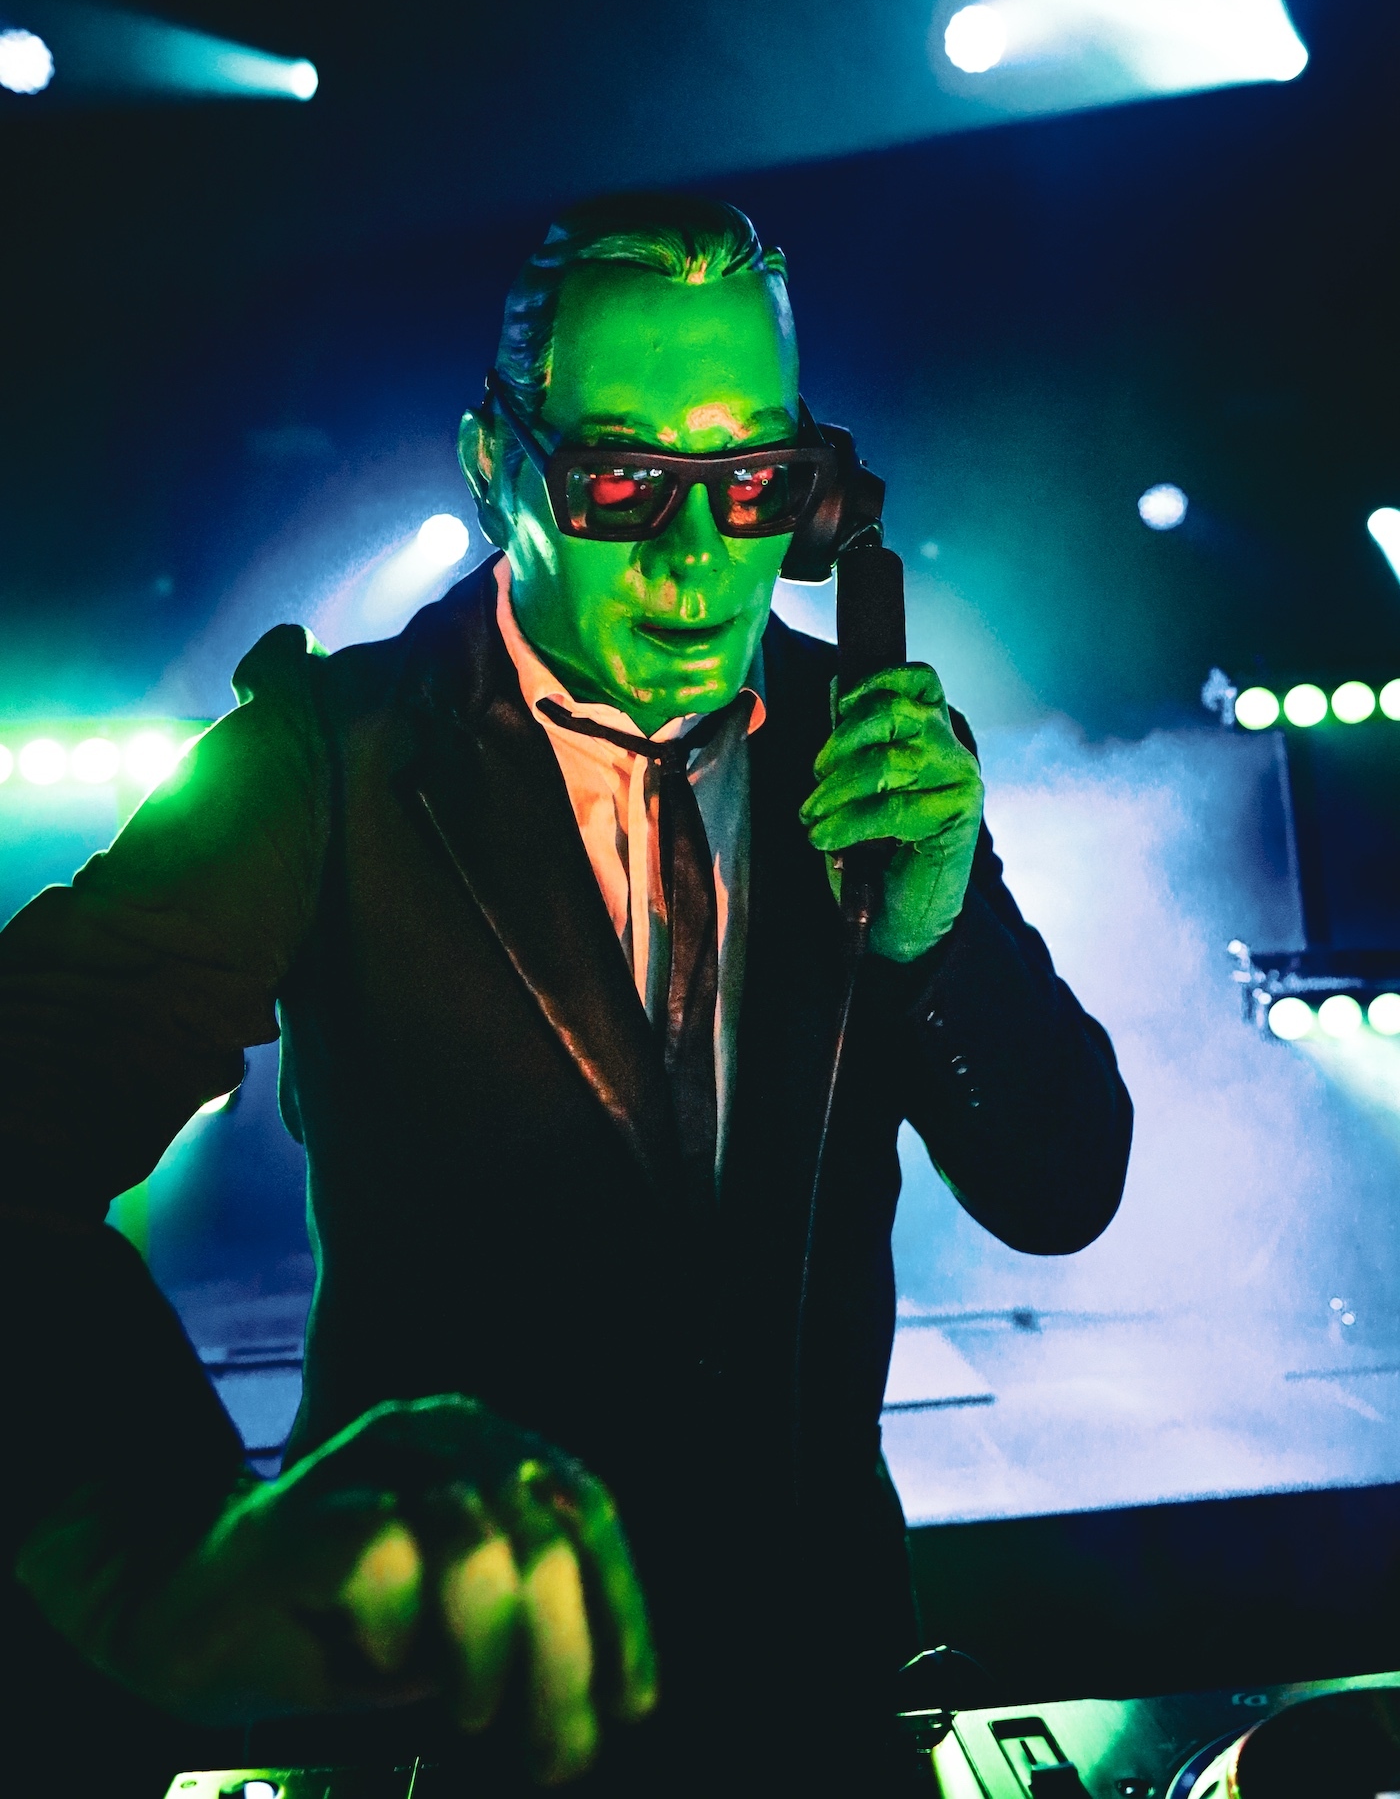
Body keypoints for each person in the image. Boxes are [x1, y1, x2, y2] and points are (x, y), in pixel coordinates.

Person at [0, 195, 1132, 1793]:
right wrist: (174, 1550)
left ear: (816, 496)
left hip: (808, 1703)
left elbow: (1065, 1189)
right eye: (618, 481)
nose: (694, 557)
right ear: (496, 468)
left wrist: (939, 933)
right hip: (438, 1722)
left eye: (750, 481)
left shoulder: (870, 746)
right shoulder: (325, 759)